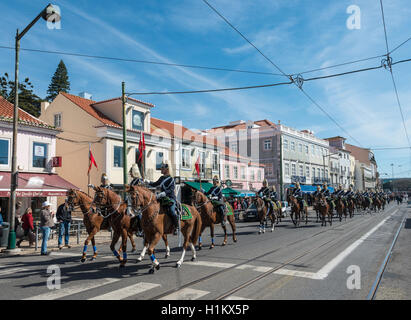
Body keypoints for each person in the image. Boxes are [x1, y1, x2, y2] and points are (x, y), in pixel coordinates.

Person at [148, 162, 179, 234]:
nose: (161, 170)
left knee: (171, 210)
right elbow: (155, 184)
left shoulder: (171, 179)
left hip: (170, 198)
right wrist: (147, 182)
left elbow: (171, 190)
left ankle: (176, 226)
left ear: (167, 169)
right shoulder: (162, 178)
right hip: (162, 198)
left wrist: (164, 193)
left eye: (162, 168)